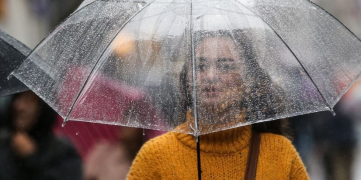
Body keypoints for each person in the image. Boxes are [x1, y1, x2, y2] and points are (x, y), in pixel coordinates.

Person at [126, 30, 309, 179]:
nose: (211, 76)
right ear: (187, 78)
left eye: (226, 66)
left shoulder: (280, 154)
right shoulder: (155, 156)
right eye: (201, 66)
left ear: (248, 82)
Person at [0, 90, 82, 180]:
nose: (20, 107)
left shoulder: (62, 151)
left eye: (30, 100)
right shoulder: (4, 142)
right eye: (17, 98)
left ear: (44, 106)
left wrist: (31, 158)